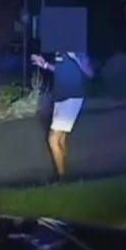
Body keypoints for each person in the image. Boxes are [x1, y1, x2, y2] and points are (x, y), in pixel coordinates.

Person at [30, 51, 93, 179]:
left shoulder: (77, 49)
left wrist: (76, 58)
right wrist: (45, 65)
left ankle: (62, 178)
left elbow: (90, 73)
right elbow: (60, 69)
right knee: (60, 139)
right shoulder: (59, 50)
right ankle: (64, 173)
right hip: (60, 97)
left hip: (72, 97)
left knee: (53, 139)